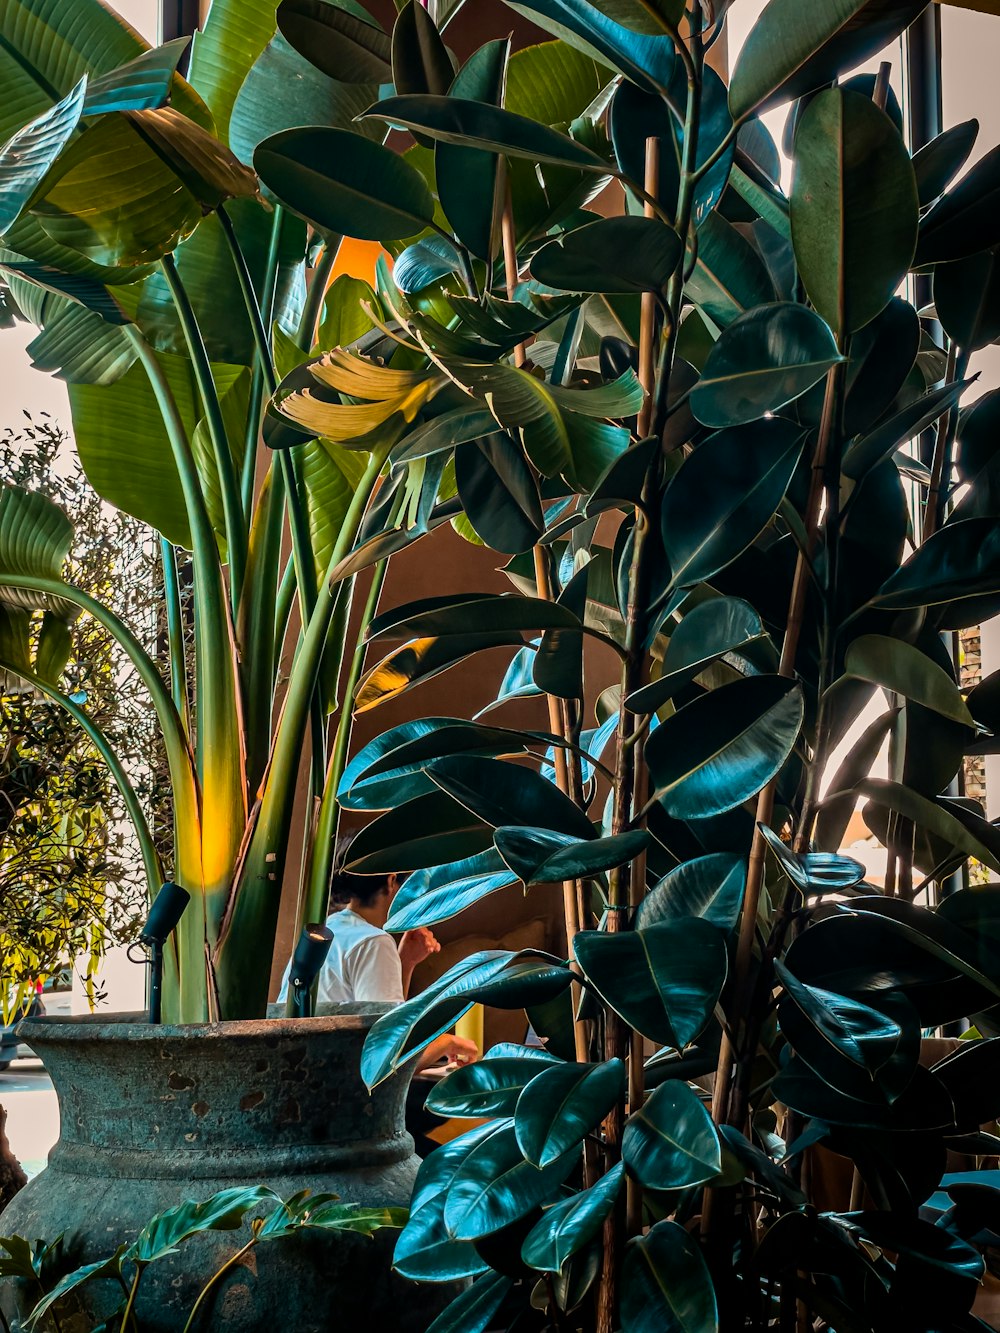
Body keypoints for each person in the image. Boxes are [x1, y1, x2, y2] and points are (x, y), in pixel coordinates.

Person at [277, 839, 479, 1077]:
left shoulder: (328, 930)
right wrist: (447, 1042)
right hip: (338, 1091)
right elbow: (387, 1059)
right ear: (391, 880)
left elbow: (386, 1026)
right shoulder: (373, 941)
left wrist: (405, 962)